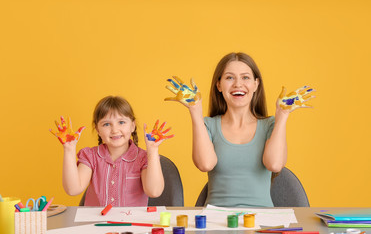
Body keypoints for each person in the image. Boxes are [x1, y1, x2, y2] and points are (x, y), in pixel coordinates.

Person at [165, 52, 314, 207]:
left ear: (256, 84)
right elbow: (205, 164)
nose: (237, 84)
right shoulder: (208, 125)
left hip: (262, 220)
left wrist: (282, 115)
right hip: (217, 221)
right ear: (219, 85)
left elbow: (274, 164)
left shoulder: (270, 124)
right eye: (229, 77)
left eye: (245, 77)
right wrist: (195, 110)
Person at [50, 96, 170, 206]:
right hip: (95, 225)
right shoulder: (90, 156)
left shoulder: (143, 158)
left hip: (131, 225)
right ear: (97, 129)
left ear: (132, 126)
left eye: (121, 122)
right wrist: (69, 150)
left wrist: (153, 151)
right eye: (106, 124)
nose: (114, 130)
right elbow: (73, 189)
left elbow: (154, 191)